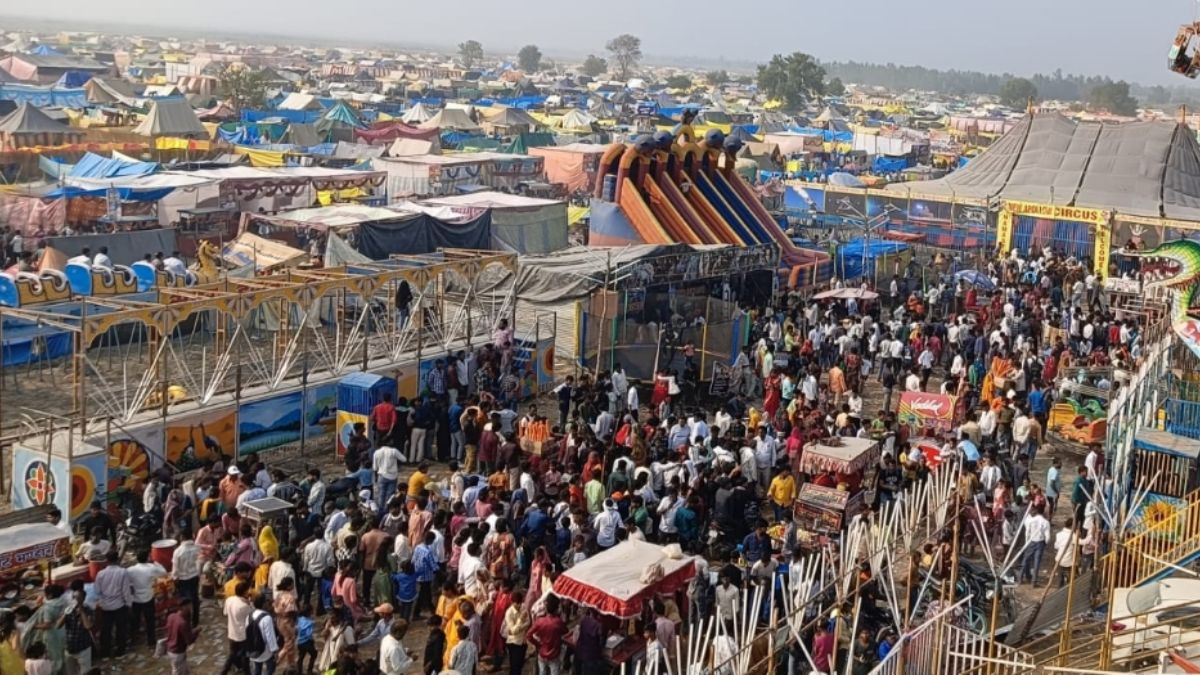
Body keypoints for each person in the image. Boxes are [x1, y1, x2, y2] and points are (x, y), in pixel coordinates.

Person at [94, 549, 131, 658]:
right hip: (119, 605)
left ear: (107, 560)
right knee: (121, 629)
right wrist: (129, 604)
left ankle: (105, 652)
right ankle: (120, 651)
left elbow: (97, 590)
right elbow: (126, 591)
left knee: (106, 630)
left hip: (106, 606)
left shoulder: (101, 574)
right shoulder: (122, 572)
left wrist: (101, 601)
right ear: (117, 558)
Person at [528, 594, 567, 675]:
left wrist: (538, 644)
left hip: (542, 652)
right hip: (554, 654)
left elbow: (528, 635)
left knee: (542, 672)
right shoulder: (558, 622)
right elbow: (565, 631)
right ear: (557, 609)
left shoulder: (540, 621)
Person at [222, 580, 254, 675]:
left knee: (232, 654)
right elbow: (253, 614)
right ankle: (246, 672)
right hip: (242, 634)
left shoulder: (229, 600)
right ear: (244, 592)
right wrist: (250, 603)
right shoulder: (244, 606)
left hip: (232, 631)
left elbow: (225, 613)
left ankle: (225, 670)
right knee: (245, 656)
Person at [166, 593, 199, 675]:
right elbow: (189, 641)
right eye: (189, 606)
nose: (191, 608)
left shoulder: (171, 616)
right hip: (178, 652)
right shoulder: (182, 623)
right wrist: (197, 631)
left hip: (170, 649)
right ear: (184, 607)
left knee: (183, 671)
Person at [247, 593, 279, 675]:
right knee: (271, 668)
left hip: (253, 649)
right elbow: (270, 636)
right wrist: (275, 651)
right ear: (264, 603)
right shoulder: (267, 618)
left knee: (257, 669)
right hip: (265, 650)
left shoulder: (249, 616)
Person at [503, 590, 530, 675]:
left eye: (520, 602)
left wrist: (519, 627)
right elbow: (513, 631)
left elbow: (528, 622)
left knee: (520, 665)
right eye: (516, 603)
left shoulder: (523, 607)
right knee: (515, 667)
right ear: (512, 602)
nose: (518, 605)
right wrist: (520, 620)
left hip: (523, 642)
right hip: (513, 643)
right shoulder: (509, 613)